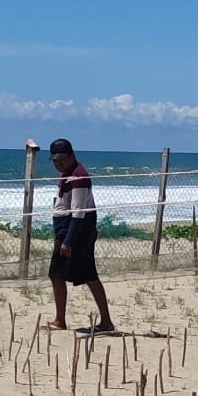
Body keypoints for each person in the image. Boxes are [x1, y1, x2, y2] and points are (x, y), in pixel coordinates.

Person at [46, 138, 114, 333]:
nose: (59, 164)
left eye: (62, 160)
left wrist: (68, 242)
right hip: (72, 232)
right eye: (55, 160)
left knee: (57, 275)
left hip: (75, 234)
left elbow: (78, 213)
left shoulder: (79, 177)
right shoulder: (69, 173)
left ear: (72, 156)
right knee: (88, 276)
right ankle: (106, 322)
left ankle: (60, 320)